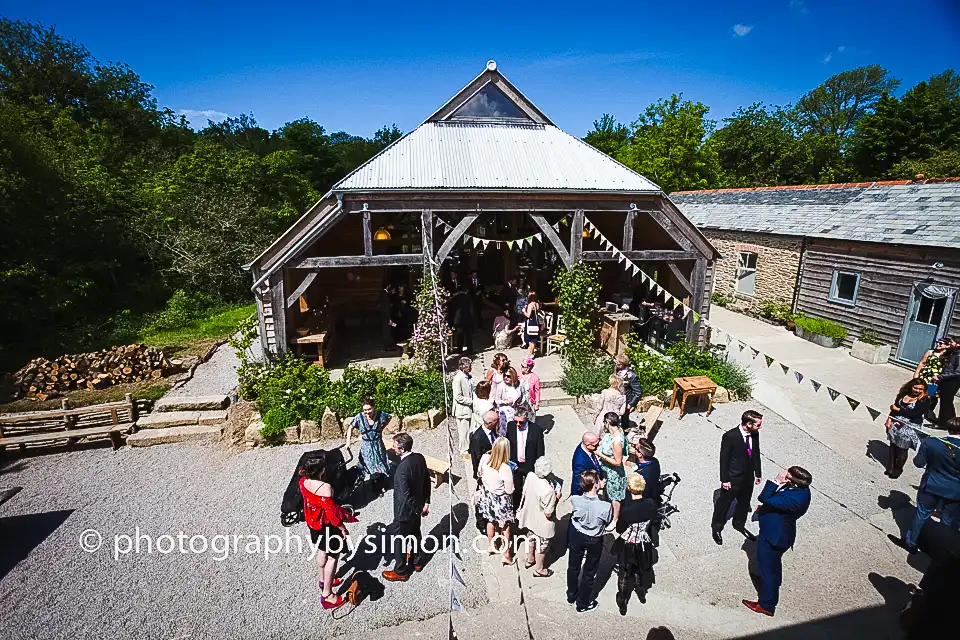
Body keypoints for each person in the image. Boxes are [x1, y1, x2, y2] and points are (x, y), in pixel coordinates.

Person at [742, 466, 813, 617]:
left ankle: (766, 604)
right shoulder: (800, 490)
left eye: (787, 473)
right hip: (778, 532)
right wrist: (766, 508)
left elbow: (764, 497)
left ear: (790, 480)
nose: (783, 472)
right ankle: (771, 585)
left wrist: (776, 480)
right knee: (772, 567)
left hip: (773, 538)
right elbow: (774, 503)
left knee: (768, 570)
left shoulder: (794, 498)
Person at [894, 417, 960, 553]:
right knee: (948, 521)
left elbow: (918, 463)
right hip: (955, 490)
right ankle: (944, 550)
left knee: (922, 514)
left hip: (932, 484)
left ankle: (911, 542)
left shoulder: (931, 442)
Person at [299, 456, 358, 609]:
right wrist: (342, 528)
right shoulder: (326, 488)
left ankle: (323, 579)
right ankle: (327, 594)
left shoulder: (303, 481)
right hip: (327, 526)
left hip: (313, 524)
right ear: (321, 470)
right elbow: (332, 513)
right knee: (333, 557)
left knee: (321, 550)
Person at [382, 433, 431, 582]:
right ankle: (417, 562)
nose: (393, 448)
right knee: (415, 535)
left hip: (404, 512)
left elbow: (405, 495)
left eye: (395, 446)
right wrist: (426, 503)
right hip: (418, 506)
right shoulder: (419, 458)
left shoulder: (402, 470)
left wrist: (417, 509)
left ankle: (401, 571)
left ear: (402, 449)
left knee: (400, 540)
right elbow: (426, 480)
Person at [712, 410, 763, 545]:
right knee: (724, 504)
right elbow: (724, 459)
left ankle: (739, 524)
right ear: (748, 424)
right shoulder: (730, 436)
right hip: (733, 478)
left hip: (748, 477)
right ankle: (716, 527)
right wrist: (724, 479)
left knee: (744, 502)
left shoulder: (754, 434)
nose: (759, 428)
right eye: (757, 425)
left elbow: (756, 453)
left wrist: (758, 473)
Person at [567, 469, 613, 613]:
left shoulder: (575, 499)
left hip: (577, 534)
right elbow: (608, 521)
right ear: (595, 485)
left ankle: (571, 594)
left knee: (573, 566)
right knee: (589, 571)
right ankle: (582, 603)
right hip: (594, 538)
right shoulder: (605, 506)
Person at [614, 473, 659, 615]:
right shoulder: (650, 503)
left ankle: (622, 600)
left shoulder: (627, 509)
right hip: (643, 542)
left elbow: (620, 528)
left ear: (629, 488)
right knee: (640, 569)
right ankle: (641, 592)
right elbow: (654, 520)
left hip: (628, 545)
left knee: (624, 573)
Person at [516, 456, 559, 578]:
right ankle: (539, 569)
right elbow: (548, 513)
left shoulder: (530, 476)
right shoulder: (549, 491)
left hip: (530, 518)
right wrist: (557, 498)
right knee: (542, 547)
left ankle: (530, 559)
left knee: (531, 539)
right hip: (542, 524)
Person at [476, 437, 516, 565]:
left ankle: (492, 545)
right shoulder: (505, 468)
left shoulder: (485, 458)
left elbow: (479, 474)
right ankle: (506, 554)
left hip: (488, 496)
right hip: (501, 500)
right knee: (505, 527)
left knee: (490, 521)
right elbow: (509, 490)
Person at [885, 378, 933, 478]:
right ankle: (890, 466)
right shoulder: (902, 395)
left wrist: (898, 409)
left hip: (910, 427)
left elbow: (915, 414)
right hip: (896, 423)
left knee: (902, 448)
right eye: (915, 388)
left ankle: (898, 468)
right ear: (911, 386)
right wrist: (889, 419)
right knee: (893, 445)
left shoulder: (924, 399)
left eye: (920, 389)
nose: (918, 391)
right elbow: (894, 408)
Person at [346, 397, 392, 495]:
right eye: (365, 410)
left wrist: (381, 428)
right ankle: (376, 488)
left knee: (381, 464)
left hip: (378, 444)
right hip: (367, 446)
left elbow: (389, 417)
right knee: (371, 467)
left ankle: (383, 482)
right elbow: (350, 427)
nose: (367, 412)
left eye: (369, 409)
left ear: (374, 407)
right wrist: (348, 442)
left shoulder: (380, 415)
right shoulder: (359, 417)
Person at [507, 407, 546, 507]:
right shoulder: (510, 426)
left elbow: (540, 450)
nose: (518, 425)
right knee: (516, 489)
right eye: (516, 421)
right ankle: (516, 509)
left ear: (527, 419)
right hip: (515, 464)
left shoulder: (536, 430)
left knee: (531, 489)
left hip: (530, 464)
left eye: (521, 422)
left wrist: (538, 467)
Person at [597, 412, 629, 531]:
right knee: (608, 492)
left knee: (615, 497)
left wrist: (601, 455)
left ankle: (615, 519)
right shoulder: (614, 431)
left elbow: (618, 462)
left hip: (614, 473)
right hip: (606, 470)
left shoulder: (616, 441)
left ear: (607, 423)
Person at [915, 338, 950, 415]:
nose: (938, 344)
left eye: (941, 343)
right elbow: (922, 363)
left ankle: (929, 410)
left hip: (936, 378)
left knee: (933, 395)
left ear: (947, 345)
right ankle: (918, 409)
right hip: (925, 376)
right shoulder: (930, 352)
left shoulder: (948, 355)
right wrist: (916, 374)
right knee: (921, 392)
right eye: (937, 342)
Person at [451, 357, 474, 457]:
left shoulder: (467, 376)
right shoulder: (458, 379)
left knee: (468, 430)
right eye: (469, 366)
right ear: (463, 367)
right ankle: (463, 450)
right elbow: (458, 397)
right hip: (462, 410)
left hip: (467, 409)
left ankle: (467, 447)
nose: (471, 368)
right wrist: (471, 401)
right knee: (463, 432)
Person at [934, 344, 960, 425]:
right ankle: (953, 422)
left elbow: (958, 372)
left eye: (952, 342)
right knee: (947, 402)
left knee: (946, 403)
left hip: (952, 382)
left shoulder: (959, 355)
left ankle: (942, 423)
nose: (950, 344)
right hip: (947, 380)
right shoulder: (953, 353)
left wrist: (940, 376)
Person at [470, 410, 500, 479]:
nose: (498, 422)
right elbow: (477, 458)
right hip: (486, 471)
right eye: (496, 421)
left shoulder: (493, 430)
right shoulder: (477, 438)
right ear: (490, 423)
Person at [571, 431, 604, 495]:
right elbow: (578, 483)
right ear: (587, 445)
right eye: (595, 445)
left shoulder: (585, 446)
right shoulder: (580, 462)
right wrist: (598, 485)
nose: (598, 445)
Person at [615, 355, 643, 429]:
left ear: (624, 364)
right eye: (616, 363)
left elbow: (638, 392)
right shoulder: (617, 369)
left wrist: (631, 404)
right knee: (614, 416)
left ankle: (625, 434)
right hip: (616, 397)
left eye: (619, 364)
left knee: (624, 420)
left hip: (626, 400)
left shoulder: (632, 376)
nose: (616, 365)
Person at [494, 366, 522, 437]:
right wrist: (505, 402)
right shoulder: (501, 385)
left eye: (508, 376)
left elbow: (521, 397)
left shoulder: (517, 385)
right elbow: (496, 400)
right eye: (504, 375)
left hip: (515, 411)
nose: (506, 378)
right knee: (504, 432)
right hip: (504, 412)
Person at [518, 358, 541, 424]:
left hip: (529, 400)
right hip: (519, 400)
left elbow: (537, 391)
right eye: (521, 366)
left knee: (530, 417)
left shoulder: (535, 378)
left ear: (528, 368)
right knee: (520, 417)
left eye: (523, 366)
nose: (521, 368)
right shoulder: (518, 374)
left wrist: (537, 403)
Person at [521, 292, 541, 358]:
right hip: (536, 322)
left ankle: (530, 354)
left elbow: (528, 315)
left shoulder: (530, 305)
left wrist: (524, 311)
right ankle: (532, 353)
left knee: (530, 339)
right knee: (534, 339)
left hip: (531, 322)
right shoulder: (537, 304)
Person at [379, 284, 398, 351]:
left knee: (388, 330)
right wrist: (389, 318)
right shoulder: (384, 295)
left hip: (386, 316)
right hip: (386, 317)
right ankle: (387, 346)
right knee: (386, 331)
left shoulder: (384, 294)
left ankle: (390, 344)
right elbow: (385, 308)